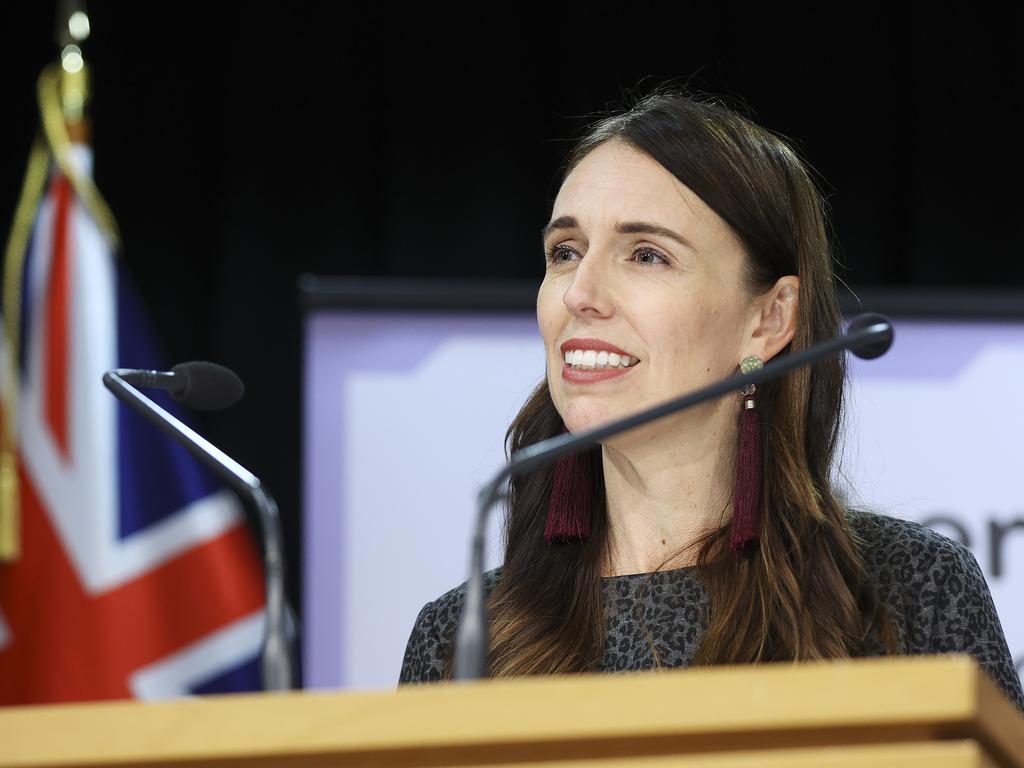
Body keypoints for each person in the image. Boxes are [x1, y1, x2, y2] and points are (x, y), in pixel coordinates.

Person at [398, 91, 1024, 711]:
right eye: (566, 252)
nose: (579, 294)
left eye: (646, 254)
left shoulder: (908, 592)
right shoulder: (460, 641)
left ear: (769, 319)